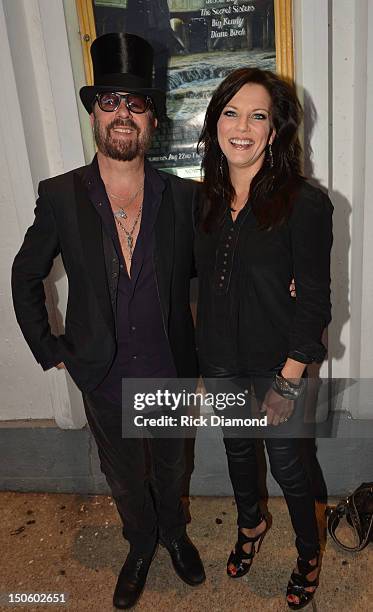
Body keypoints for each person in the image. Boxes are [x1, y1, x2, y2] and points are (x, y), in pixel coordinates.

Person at [11, 32, 205, 610]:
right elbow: (25, 275)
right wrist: (54, 350)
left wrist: (283, 279)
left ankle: (173, 533)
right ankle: (139, 542)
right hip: (100, 373)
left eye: (136, 102)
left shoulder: (183, 198)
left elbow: (223, 271)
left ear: (152, 119)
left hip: (170, 370)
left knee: (173, 467)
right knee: (124, 477)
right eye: (110, 101)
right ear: (94, 113)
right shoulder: (61, 195)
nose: (123, 112)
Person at [195, 67, 333, 609]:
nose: (243, 127)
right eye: (231, 112)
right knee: (236, 450)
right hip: (223, 360)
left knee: (289, 466)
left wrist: (289, 380)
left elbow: (316, 300)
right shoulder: (202, 199)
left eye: (258, 116)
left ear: (275, 131)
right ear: (215, 124)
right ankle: (250, 526)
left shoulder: (306, 202)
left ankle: (308, 552)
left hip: (280, 366)